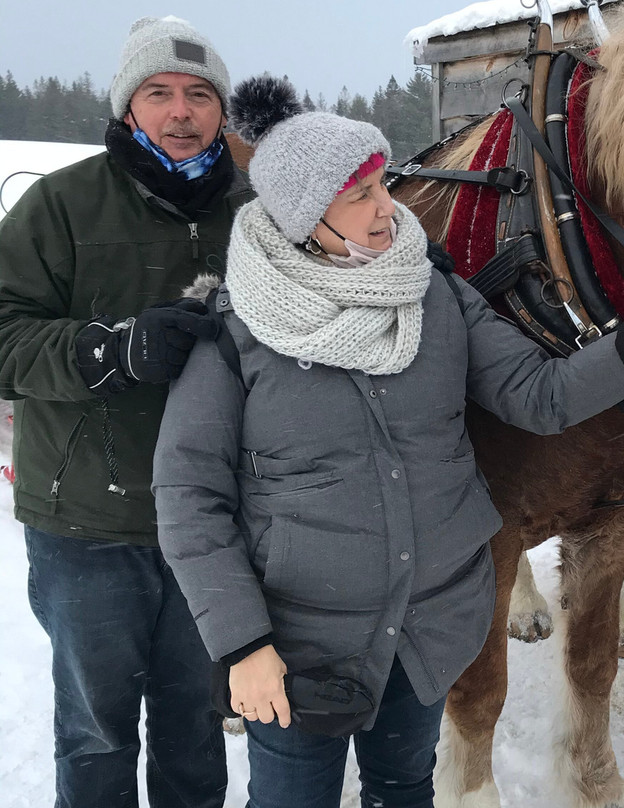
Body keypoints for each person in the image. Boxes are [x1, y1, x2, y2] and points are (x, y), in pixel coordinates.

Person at [152, 75, 624, 808]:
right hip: (296, 647)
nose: (390, 209)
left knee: (406, 788)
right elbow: (190, 502)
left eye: (382, 185)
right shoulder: (230, 331)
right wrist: (243, 645)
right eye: (361, 196)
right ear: (302, 217)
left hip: (426, 632)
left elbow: (543, 395)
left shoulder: (436, 296)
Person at [0, 16, 254, 808]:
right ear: (128, 107)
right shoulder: (61, 205)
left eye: (199, 95)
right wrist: (109, 351)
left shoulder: (257, 211)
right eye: (160, 93)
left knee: (195, 727)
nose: (181, 112)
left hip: (213, 530)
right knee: (97, 733)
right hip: (87, 529)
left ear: (221, 110)